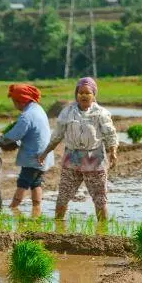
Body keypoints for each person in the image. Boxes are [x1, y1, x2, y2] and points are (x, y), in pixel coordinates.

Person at [37, 77, 118, 222]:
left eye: (88, 93)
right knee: (63, 195)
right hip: (72, 159)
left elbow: (110, 133)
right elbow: (57, 135)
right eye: (81, 93)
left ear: (94, 95)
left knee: (100, 198)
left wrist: (113, 152)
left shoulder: (101, 113)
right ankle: (58, 226)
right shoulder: (67, 112)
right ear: (76, 95)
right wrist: (45, 152)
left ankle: (103, 231)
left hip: (94, 159)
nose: (84, 96)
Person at [0, 84, 54, 218]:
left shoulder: (27, 115)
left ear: (20, 101)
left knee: (23, 181)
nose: (14, 104)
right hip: (43, 154)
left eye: (14, 102)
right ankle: (36, 209)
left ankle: (13, 207)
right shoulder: (37, 109)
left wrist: (2, 139)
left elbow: (14, 135)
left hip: (34, 155)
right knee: (36, 182)